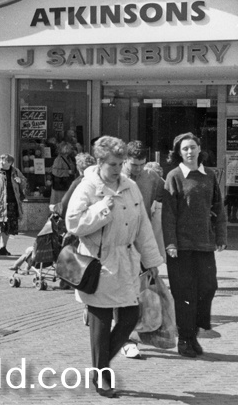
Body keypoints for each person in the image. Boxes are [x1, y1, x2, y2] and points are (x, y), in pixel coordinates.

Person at [66, 136, 163, 398]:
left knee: (130, 316)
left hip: (126, 261)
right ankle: (102, 375)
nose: (119, 169)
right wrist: (100, 210)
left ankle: (98, 366)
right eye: (113, 164)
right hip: (98, 264)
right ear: (99, 162)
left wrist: (152, 261)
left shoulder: (130, 186)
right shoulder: (87, 187)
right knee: (101, 320)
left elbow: (143, 226)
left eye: (121, 164)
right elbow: (73, 224)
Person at [163, 132, 228, 358]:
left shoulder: (209, 176)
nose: (189, 152)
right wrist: (170, 242)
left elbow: (218, 208)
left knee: (208, 287)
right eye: (185, 149)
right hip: (180, 247)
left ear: (199, 149)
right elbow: (168, 214)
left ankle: (194, 332)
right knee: (184, 293)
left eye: (193, 147)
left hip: (204, 243)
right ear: (179, 153)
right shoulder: (174, 176)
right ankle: (185, 339)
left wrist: (220, 236)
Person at [120, 140, 170, 359]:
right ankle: (125, 337)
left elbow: (161, 211)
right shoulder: (114, 176)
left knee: (136, 292)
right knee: (121, 291)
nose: (137, 170)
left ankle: (129, 336)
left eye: (141, 164)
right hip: (118, 244)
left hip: (140, 244)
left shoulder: (152, 179)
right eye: (133, 165)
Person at [49, 142, 77, 208]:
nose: (70, 150)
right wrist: (67, 172)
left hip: (66, 184)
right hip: (60, 185)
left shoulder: (69, 158)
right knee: (59, 202)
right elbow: (55, 171)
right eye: (69, 148)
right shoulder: (59, 159)